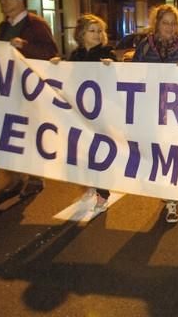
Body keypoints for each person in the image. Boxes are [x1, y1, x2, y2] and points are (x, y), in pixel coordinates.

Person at [132, 4, 178, 223]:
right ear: (157, 24)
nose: (170, 28)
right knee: (157, 155)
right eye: (166, 23)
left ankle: (173, 201)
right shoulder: (144, 47)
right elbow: (132, 74)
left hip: (177, 114)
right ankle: (166, 191)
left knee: (173, 154)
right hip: (152, 111)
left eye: (174, 23)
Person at [0, 0, 59, 198]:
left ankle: (35, 177)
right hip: (9, 86)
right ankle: (15, 177)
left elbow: (50, 52)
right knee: (10, 132)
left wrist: (24, 46)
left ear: (20, 1)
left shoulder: (36, 25)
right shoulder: (3, 28)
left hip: (30, 88)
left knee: (31, 132)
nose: (2, 2)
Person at [51, 14, 115, 216]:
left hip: (100, 114)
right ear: (81, 34)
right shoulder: (76, 55)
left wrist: (111, 66)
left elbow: (119, 76)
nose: (97, 35)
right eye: (92, 31)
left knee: (97, 153)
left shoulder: (107, 53)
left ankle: (103, 193)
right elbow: (67, 78)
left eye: (99, 31)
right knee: (82, 152)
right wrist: (56, 65)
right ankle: (90, 185)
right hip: (80, 112)